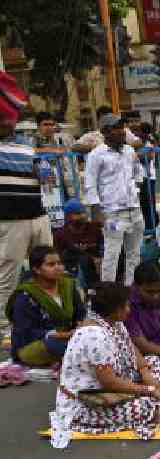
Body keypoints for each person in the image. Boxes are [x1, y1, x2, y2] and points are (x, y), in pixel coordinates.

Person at [51, 282, 160, 449]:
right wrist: (151, 390)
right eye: (127, 305)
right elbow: (109, 383)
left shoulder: (113, 322)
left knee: (153, 361)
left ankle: (153, 403)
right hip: (86, 401)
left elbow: (132, 349)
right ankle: (152, 408)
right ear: (116, 310)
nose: (129, 309)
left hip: (116, 384)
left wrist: (146, 373)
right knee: (141, 407)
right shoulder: (94, 336)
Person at [0, 72, 54, 335]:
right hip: (10, 221)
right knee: (7, 275)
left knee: (49, 269)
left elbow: (45, 177)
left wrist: (44, 169)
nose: (6, 124)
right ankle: (5, 327)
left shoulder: (26, 144)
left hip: (38, 216)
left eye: (8, 120)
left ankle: (51, 316)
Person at [83, 113, 145, 286]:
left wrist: (136, 190)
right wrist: (96, 211)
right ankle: (107, 290)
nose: (122, 132)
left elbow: (139, 171)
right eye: (117, 128)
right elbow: (90, 184)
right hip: (113, 214)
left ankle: (130, 287)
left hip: (134, 210)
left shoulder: (129, 151)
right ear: (105, 132)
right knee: (112, 253)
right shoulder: (96, 155)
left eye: (122, 127)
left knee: (134, 252)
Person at [7, 246, 86, 366]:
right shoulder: (25, 295)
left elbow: (80, 313)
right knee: (54, 344)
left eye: (59, 263)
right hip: (36, 344)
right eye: (51, 264)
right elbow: (25, 331)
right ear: (37, 269)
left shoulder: (68, 285)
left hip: (68, 337)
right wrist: (61, 335)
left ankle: (80, 356)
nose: (58, 267)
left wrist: (81, 325)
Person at [53, 201, 102, 288]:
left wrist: (101, 258)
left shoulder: (95, 228)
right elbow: (58, 256)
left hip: (98, 266)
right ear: (67, 216)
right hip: (75, 268)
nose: (83, 216)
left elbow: (104, 247)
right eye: (78, 213)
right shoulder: (60, 234)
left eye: (84, 212)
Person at [72, 106, 142, 153]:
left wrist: (122, 148)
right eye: (106, 118)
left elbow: (138, 142)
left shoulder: (124, 131)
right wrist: (96, 149)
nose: (120, 132)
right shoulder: (92, 135)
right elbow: (74, 147)